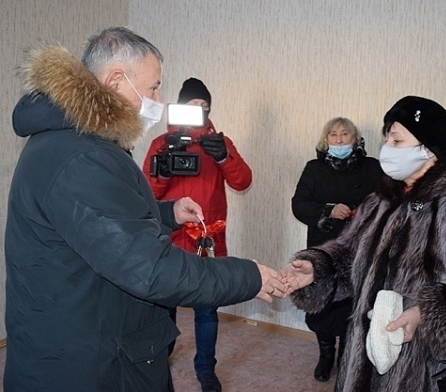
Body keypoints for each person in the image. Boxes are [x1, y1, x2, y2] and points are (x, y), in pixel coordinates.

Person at [4, 27, 286, 392]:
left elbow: (108, 217)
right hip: (88, 360)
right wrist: (249, 276)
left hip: (88, 332)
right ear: (116, 81)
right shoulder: (84, 156)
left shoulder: (73, 140)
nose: (158, 97)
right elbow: (150, 269)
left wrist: (167, 213)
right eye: (153, 87)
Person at [282, 96, 446, 391]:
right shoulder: (381, 200)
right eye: (387, 139)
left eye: (397, 141)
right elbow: (351, 255)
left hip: (428, 372)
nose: (387, 149)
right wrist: (317, 269)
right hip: (365, 360)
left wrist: (428, 315)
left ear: (428, 150)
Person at [142, 77, 252, 392]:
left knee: (207, 309)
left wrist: (223, 157)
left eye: (204, 107)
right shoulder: (161, 143)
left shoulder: (220, 142)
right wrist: (162, 171)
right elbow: (145, 192)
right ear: (179, 108)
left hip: (208, 238)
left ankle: (206, 369)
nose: (199, 112)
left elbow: (243, 181)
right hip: (169, 239)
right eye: (192, 106)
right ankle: (160, 358)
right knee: (165, 308)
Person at [291, 117, 380, 382]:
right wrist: (328, 210)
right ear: (325, 139)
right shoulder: (314, 168)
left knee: (352, 306)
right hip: (324, 248)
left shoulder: (373, 167)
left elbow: (388, 201)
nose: (339, 139)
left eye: (345, 135)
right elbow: (299, 204)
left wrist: (363, 212)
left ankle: (345, 355)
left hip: (359, 248)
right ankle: (326, 354)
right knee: (322, 304)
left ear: (355, 139)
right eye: (333, 135)